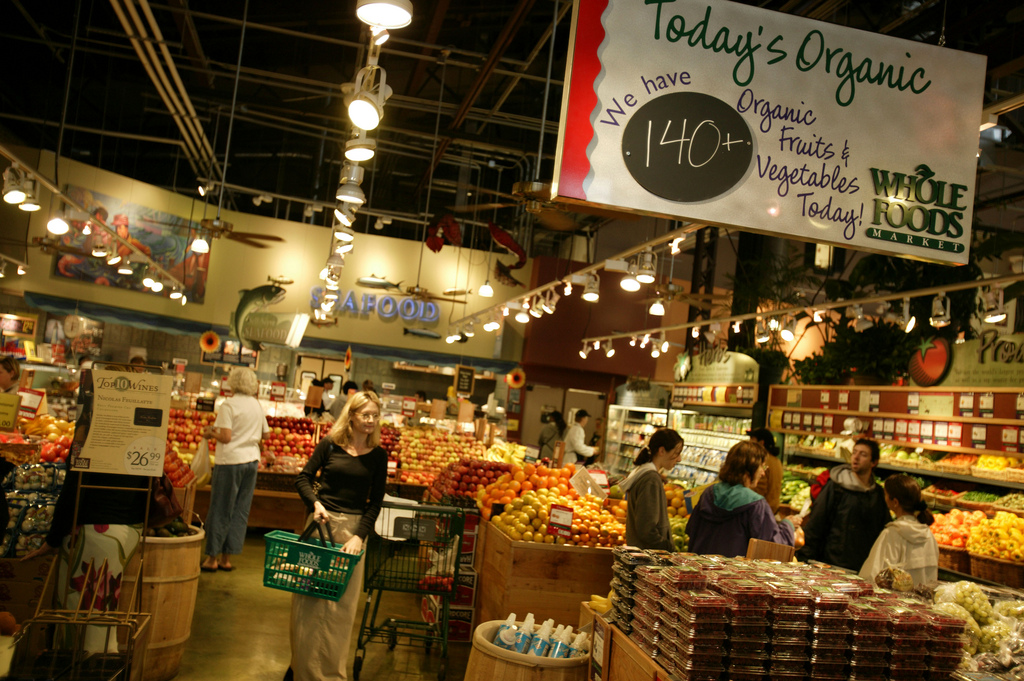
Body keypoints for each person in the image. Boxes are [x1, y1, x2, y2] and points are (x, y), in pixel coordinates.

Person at [23, 367, 149, 653]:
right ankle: (101, 663)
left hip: (92, 531)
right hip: (127, 533)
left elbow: (74, 487)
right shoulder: (143, 431)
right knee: (102, 615)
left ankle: (77, 666)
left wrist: (54, 538)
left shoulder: (90, 431)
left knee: (76, 615)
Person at [287, 391, 388, 681]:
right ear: (352, 416)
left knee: (340, 609)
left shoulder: (378, 457)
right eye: (365, 415)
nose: (370, 420)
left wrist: (360, 537)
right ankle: (301, 669)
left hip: (352, 534)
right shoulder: (330, 445)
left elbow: (375, 502)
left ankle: (330, 675)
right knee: (308, 602)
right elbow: (303, 478)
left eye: (374, 415)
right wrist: (315, 504)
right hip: (320, 527)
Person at [201, 367, 269, 572]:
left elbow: (226, 437)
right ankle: (226, 558)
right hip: (251, 462)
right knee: (240, 510)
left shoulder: (228, 405)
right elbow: (265, 435)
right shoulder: (256, 405)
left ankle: (211, 559)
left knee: (221, 508)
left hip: (230, 462)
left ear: (232, 382)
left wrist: (210, 432)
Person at [686, 441, 798, 557]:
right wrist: (788, 526)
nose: (763, 473)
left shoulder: (708, 493)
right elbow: (772, 547)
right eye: (762, 466)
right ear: (750, 468)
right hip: (735, 573)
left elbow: (691, 530)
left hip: (699, 569)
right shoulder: (756, 504)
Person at [797, 438, 892, 571]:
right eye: (854, 452)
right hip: (832, 564)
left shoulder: (877, 494)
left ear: (874, 462)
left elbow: (882, 530)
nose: (856, 457)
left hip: (863, 567)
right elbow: (817, 522)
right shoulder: (836, 487)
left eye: (863, 454)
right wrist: (804, 557)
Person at [859, 474, 939, 586]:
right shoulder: (929, 535)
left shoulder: (891, 534)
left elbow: (873, 577)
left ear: (895, 502)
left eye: (885, 495)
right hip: (923, 602)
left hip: (895, 602)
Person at [621, 429, 683, 551]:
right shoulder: (651, 479)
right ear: (662, 451)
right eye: (676, 453)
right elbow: (646, 529)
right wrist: (668, 548)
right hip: (648, 558)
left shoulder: (643, 472)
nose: (679, 459)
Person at [748, 427, 783, 512]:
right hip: (771, 509)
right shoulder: (776, 461)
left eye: (752, 441)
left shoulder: (763, 462)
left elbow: (758, 491)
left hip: (761, 511)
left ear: (761, 443)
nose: (749, 444)